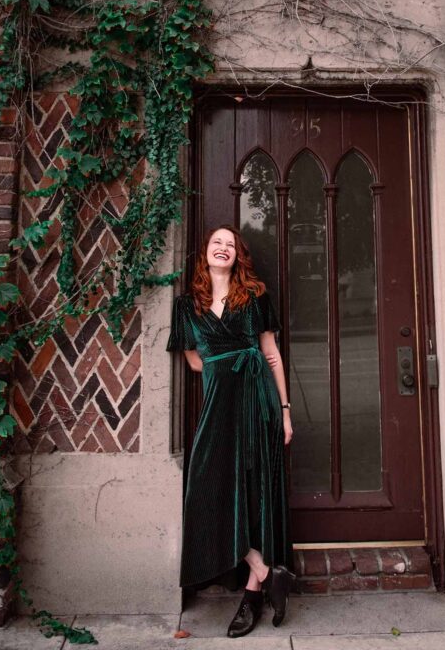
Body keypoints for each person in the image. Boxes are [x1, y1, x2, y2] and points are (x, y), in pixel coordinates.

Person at [167, 225, 295, 638]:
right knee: (208, 492)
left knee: (257, 494)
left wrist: (286, 411)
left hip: (258, 403)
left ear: (238, 255)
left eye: (230, 245)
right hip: (218, 408)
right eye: (215, 243)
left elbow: (271, 354)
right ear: (204, 253)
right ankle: (263, 567)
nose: (222, 249)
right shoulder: (187, 306)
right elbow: (194, 361)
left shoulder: (254, 296)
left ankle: (253, 593)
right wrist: (226, 365)